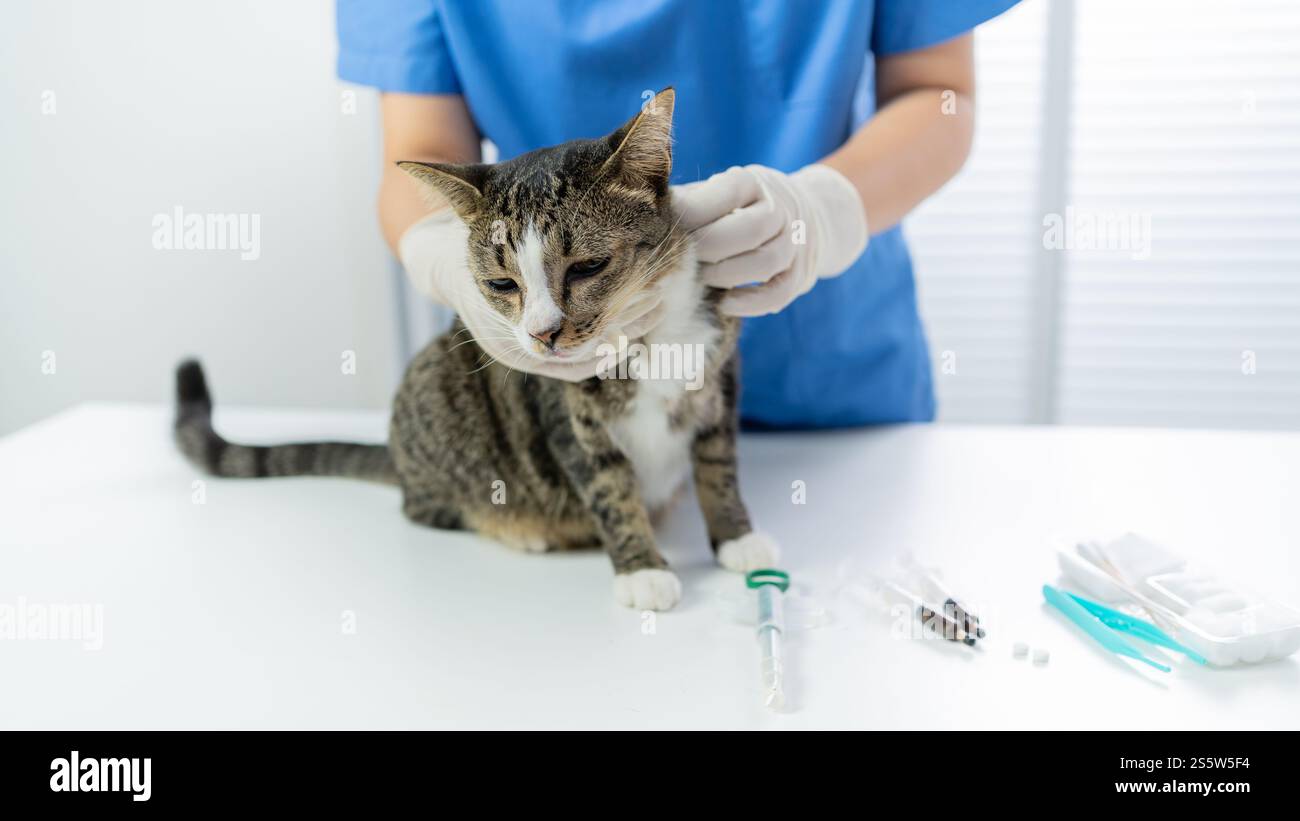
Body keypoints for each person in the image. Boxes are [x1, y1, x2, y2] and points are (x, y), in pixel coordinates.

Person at [337, 0, 1020, 429]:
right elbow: (421, 159)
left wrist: (825, 210)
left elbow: (940, 93)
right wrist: (442, 261)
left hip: (828, 377)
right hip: (587, 395)